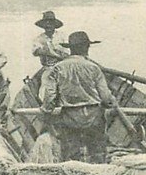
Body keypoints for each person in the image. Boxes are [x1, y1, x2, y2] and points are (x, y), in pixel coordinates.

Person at [39, 31, 115, 163]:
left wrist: (46, 111)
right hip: (94, 117)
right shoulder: (94, 68)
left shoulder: (57, 69)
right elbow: (106, 99)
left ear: (70, 49)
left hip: (70, 117)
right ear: (86, 48)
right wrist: (108, 104)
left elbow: (49, 97)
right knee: (97, 154)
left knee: (71, 156)